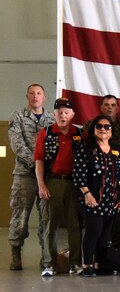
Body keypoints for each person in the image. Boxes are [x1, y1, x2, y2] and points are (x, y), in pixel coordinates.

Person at [73, 115, 120, 277]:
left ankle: (99, 263)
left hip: (112, 201)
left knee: (105, 235)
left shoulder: (117, 149)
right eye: (99, 126)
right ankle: (87, 264)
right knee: (93, 231)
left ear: (111, 131)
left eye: (107, 127)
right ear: (93, 129)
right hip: (92, 200)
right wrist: (87, 195)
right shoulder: (86, 148)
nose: (103, 129)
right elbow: (78, 175)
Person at [34, 97, 82, 276]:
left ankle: (76, 263)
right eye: (59, 112)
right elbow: (38, 161)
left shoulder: (79, 134)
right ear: (53, 114)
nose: (63, 115)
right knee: (49, 224)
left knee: (75, 224)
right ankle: (49, 263)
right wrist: (41, 185)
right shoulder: (45, 133)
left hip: (74, 184)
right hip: (52, 182)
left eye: (66, 112)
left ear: (72, 115)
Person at [8, 84, 53, 271]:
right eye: (32, 93)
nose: (35, 96)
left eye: (39, 93)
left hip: (48, 176)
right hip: (25, 175)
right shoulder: (18, 116)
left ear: (44, 97)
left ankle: (46, 257)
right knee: (20, 215)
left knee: (46, 217)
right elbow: (16, 144)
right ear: (27, 96)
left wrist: (46, 167)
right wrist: (36, 164)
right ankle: (16, 252)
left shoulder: (52, 119)